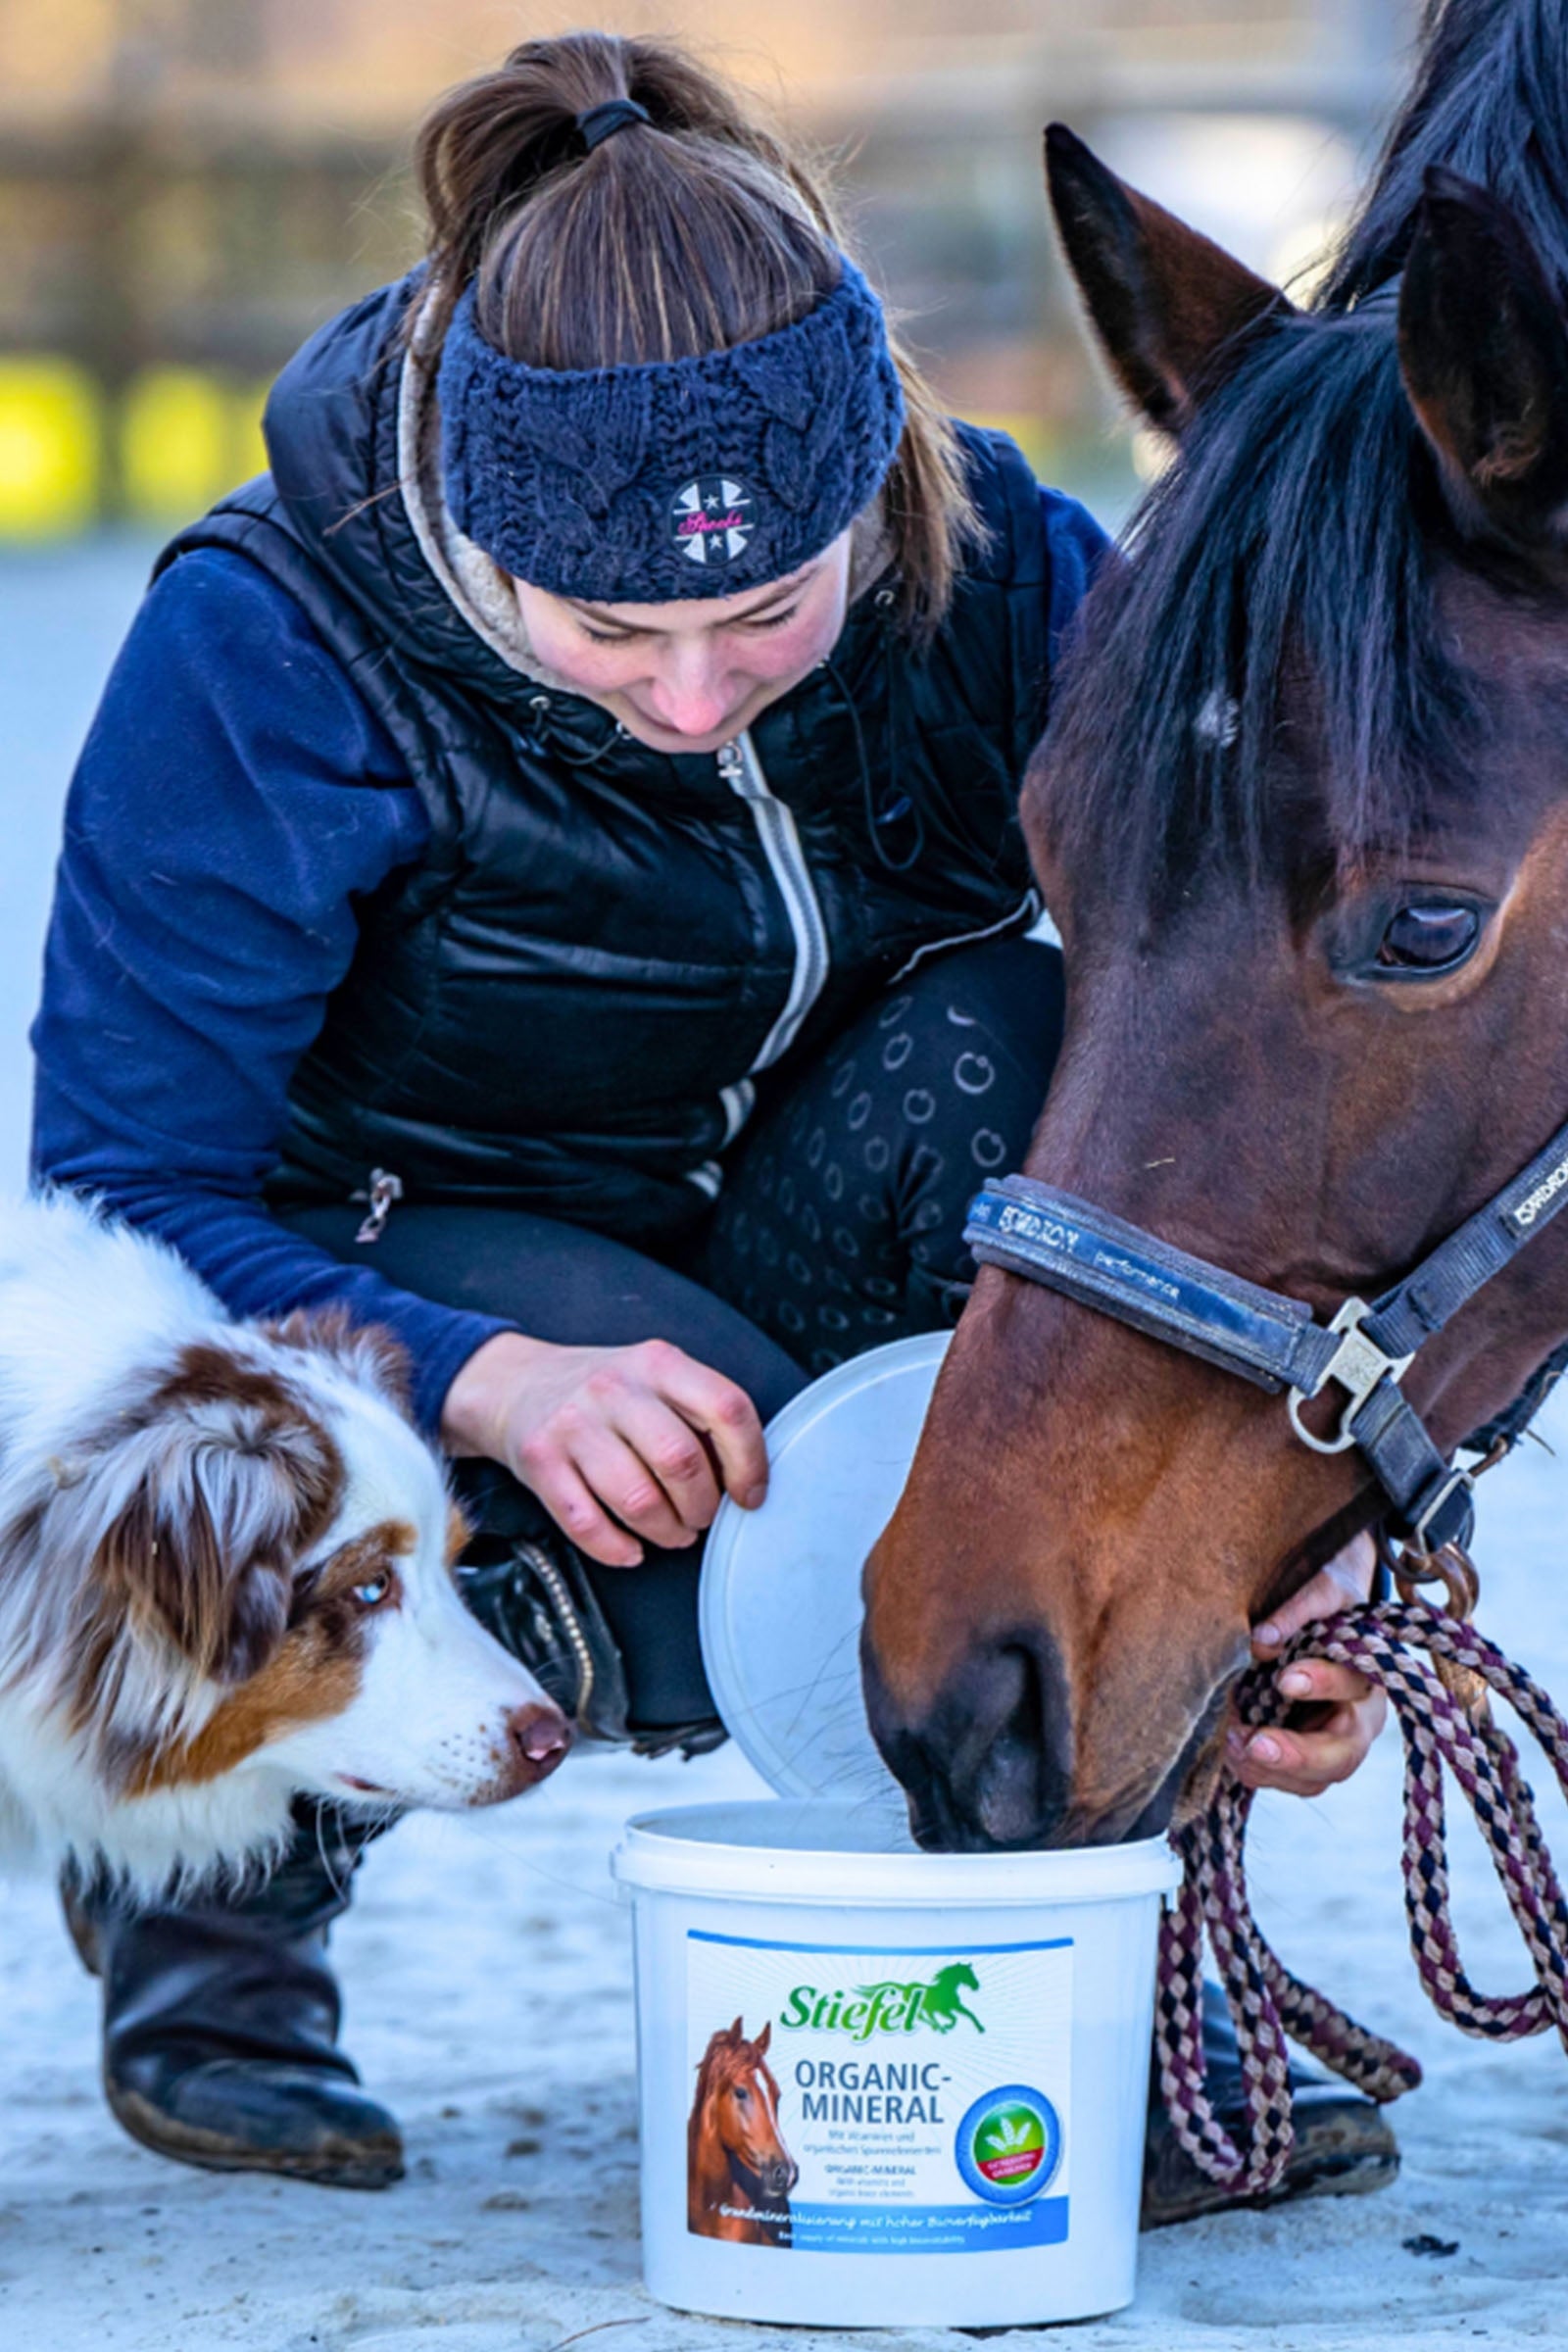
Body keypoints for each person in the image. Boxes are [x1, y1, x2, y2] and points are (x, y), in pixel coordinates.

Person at [28, 30, 1391, 2220]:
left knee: (1032, 1047)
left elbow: (1257, 1059)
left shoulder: (1008, 572)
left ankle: (1099, 1951)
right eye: (610, 631)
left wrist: (1300, 1542)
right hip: (402, 1251)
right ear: (484, 535)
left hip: (810, 1184)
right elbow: (121, 1199)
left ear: (867, 497)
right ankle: (219, 1878)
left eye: (765, 613)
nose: (690, 695)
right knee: (636, 1491)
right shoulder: (265, 647)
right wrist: (486, 1380)